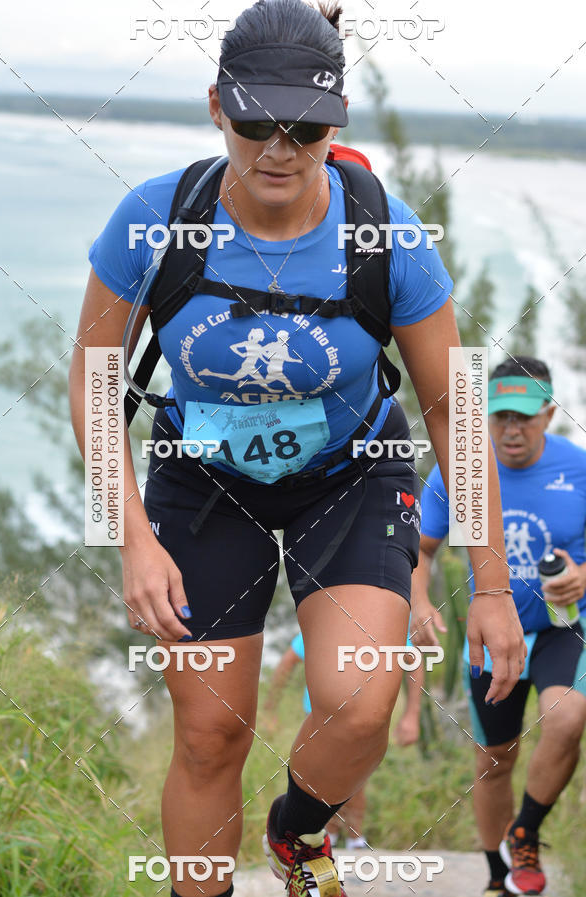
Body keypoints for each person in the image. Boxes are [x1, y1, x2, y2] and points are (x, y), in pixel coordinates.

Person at [69, 2, 525, 894]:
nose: (278, 147)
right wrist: (127, 537)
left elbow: (453, 415)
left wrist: (496, 588)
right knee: (209, 732)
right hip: (201, 479)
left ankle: (298, 830)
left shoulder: (389, 237)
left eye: (306, 126)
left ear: (337, 123)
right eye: (253, 123)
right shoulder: (151, 220)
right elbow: (93, 388)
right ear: (214, 109)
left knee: (360, 701)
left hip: (350, 478)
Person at [412, 356, 586, 897]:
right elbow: (421, 549)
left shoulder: (578, 468)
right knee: (493, 763)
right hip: (491, 637)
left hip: (564, 627)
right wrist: (418, 601)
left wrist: (581, 576)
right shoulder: (461, 469)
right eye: (500, 416)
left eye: (524, 417)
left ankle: (525, 832)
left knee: (567, 717)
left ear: (549, 414)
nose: (511, 429)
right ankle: (497, 878)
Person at [264, 629, 424, 848]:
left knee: (354, 776)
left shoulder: (381, 618)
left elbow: (413, 659)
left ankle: (352, 838)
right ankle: (327, 835)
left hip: (361, 714)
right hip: (318, 714)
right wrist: (270, 709)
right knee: (319, 776)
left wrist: (412, 715)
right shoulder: (325, 617)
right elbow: (288, 661)